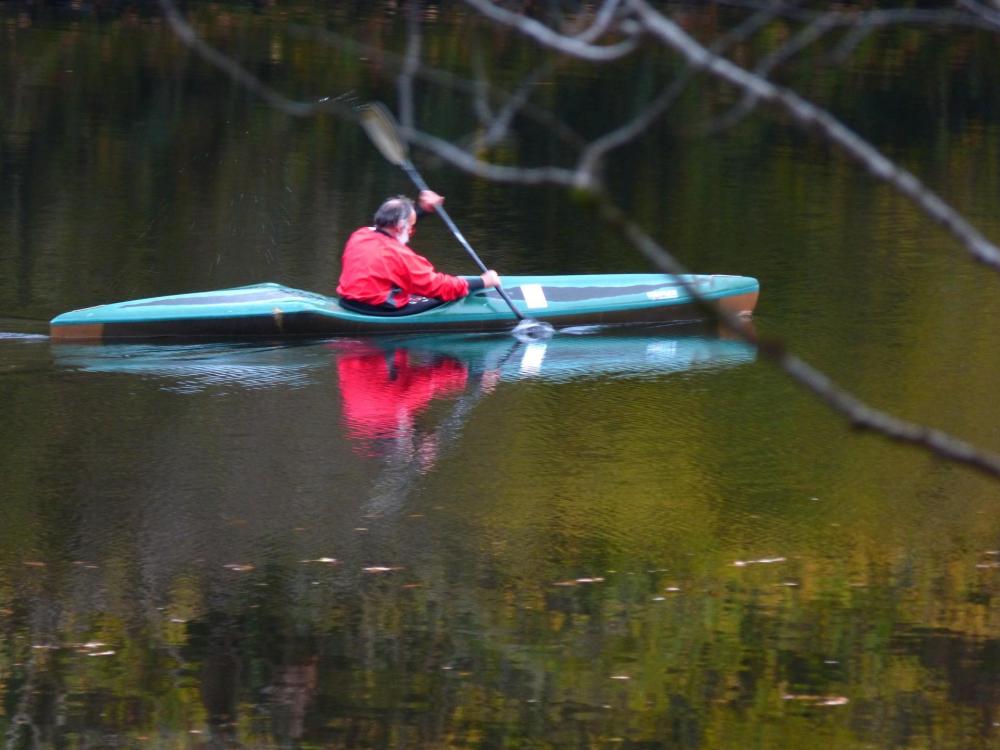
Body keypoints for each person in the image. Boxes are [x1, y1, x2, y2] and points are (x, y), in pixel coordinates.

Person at [336, 191, 501, 315]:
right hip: (379, 309)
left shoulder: (360, 235)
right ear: (401, 227)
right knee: (444, 295)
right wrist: (483, 282)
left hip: (348, 302)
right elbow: (438, 286)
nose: (411, 232)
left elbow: (394, 231)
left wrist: (423, 210)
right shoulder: (400, 255)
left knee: (413, 286)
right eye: (410, 227)